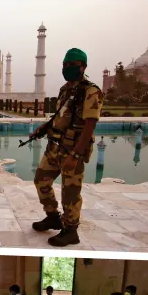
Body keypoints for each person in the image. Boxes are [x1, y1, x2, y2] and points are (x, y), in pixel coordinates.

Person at [31, 48, 104, 246]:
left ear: (83, 66)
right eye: (65, 65)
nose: (68, 68)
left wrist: (76, 153)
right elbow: (60, 116)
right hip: (55, 146)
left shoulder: (90, 91)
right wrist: (43, 128)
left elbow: (89, 125)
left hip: (73, 149)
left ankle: (71, 230)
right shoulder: (65, 89)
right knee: (41, 180)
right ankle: (53, 216)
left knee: (70, 192)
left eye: (72, 65)